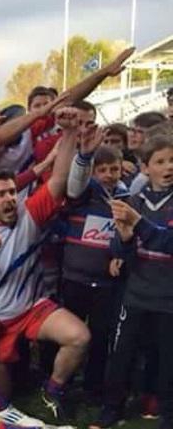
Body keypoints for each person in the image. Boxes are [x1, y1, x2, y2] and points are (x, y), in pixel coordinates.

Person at [0, 108, 91, 419]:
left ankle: (53, 390)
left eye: (12, 192)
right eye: (0, 194)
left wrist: (68, 133)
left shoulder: (30, 213)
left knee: (79, 336)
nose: (9, 198)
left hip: (32, 310)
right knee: (0, 400)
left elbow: (59, 178)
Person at [93, 136, 173, 429]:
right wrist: (124, 238)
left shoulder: (136, 210)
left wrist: (136, 224)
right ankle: (112, 408)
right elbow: (121, 250)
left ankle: (168, 417)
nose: (168, 168)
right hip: (136, 293)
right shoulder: (135, 202)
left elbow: (167, 243)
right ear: (145, 167)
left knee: (168, 359)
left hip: (168, 297)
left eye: (172, 161)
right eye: (160, 161)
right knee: (121, 353)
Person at [61, 129, 127, 404]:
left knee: (101, 335)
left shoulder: (126, 200)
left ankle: (93, 386)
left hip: (106, 283)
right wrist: (84, 157)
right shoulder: (83, 195)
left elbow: (126, 237)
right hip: (74, 278)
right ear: (94, 172)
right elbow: (73, 184)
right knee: (67, 333)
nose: (109, 174)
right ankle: (60, 380)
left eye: (115, 169)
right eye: (103, 169)